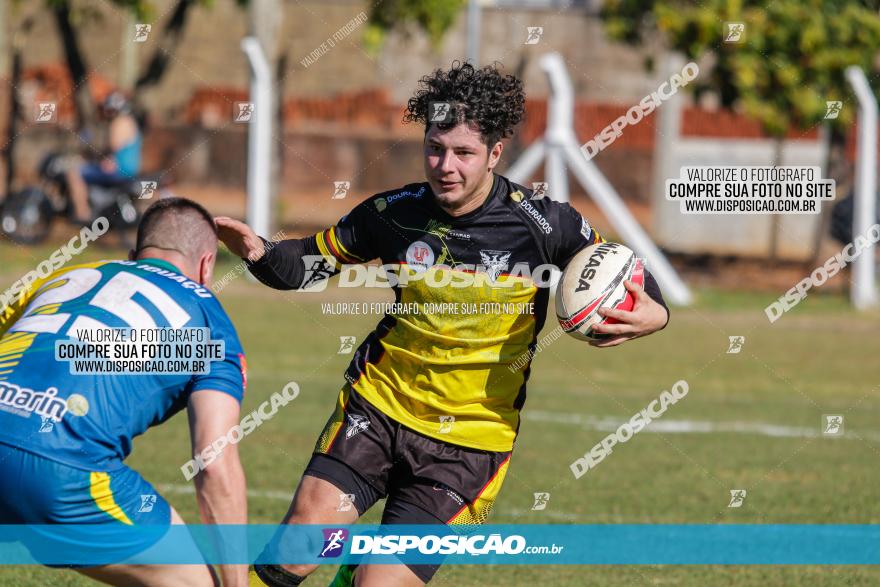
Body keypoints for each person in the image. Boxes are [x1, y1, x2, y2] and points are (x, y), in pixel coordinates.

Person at [217, 62, 669, 586]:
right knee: (296, 549)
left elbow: (626, 277)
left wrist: (654, 315)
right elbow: (306, 265)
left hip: (471, 443)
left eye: (464, 153)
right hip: (379, 407)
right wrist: (258, 252)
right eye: (435, 147)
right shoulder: (391, 214)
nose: (445, 165)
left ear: (495, 154)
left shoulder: (545, 225)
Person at [0, 197, 248, 586]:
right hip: (63, 473)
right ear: (206, 266)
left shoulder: (61, 276)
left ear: (133, 256)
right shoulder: (208, 320)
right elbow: (214, 460)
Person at [65, 91, 143, 223]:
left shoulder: (119, 123)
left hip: (119, 171)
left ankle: (83, 214)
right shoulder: (130, 122)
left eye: (109, 110)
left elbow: (113, 146)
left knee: (74, 172)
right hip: (128, 170)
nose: (106, 113)